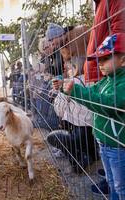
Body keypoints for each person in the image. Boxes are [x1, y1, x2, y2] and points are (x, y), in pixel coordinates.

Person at [63, 33, 125, 200]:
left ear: (123, 60)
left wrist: (76, 91)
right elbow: (91, 93)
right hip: (103, 140)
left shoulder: (122, 83)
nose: (100, 64)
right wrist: (68, 87)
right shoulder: (106, 80)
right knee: (112, 182)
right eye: (99, 60)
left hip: (117, 145)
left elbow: (107, 104)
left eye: (105, 58)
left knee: (121, 186)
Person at [84, 0, 125, 83]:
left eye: (105, 58)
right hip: (100, 72)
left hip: (108, 75)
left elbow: (119, 35)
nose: (100, 63)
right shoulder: (100, 3)